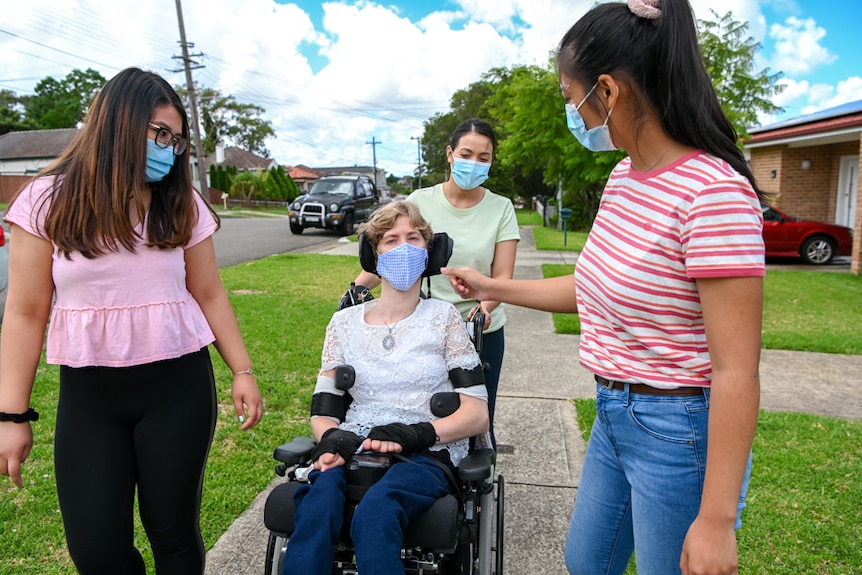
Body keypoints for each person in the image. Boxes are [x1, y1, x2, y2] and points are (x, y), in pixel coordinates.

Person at [442, 1, 765, 574]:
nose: (574, 113)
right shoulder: (622, 177)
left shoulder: (714, 193)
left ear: (608, 92)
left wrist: (715, 520)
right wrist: (491, 285)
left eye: (572, 99)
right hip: (614, 411)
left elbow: (736, 369)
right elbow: (592, 287)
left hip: (677, 429)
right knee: (586, 562)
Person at [0, 67, 263, 575]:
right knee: (96, 551)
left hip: (177, 389)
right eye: (159, 134)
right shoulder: (44, 201)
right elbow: (26, 313)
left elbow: (208, 291)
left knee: (174, 537)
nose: (169, 148)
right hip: (90, 399)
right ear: (118, 123)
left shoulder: (180, 203)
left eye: (177, 140)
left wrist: (242, 370)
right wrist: (11, 416)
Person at [282, 201, 489, 574]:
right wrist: (333, 440)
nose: (404, 247)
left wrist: (416, 434)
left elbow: (477, 415)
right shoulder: (343, 324)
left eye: (414, 238)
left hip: (426, 450)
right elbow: (324, 413)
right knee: (318, 503)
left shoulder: (444, 318)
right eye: (391, 240)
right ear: (373, 255)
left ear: (429, 251)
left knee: (376, 512)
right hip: (355, 442)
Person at [346, 118, 519, 438]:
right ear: (450, 154)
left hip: (479, 327)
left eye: (484, 158)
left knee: (478, 414)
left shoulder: (501, 208)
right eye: (467, 154)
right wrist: (355, 289)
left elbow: (503, 277)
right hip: (421, 326)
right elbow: (388, 255)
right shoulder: (418, 202)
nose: (474, 163)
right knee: (419, 408)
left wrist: (485, 305)